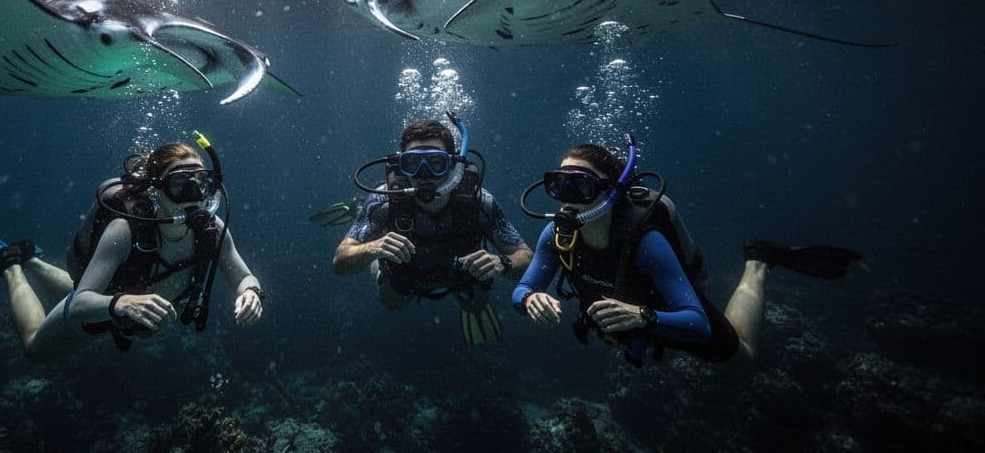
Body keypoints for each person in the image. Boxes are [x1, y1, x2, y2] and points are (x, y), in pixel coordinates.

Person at [511, 138, 861, 367]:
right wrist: (529, 299)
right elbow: (521, 290)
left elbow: (698, 324)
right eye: (559, 185)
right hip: (629, 322)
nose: (567, 199)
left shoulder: (645, 242)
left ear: (612, 192)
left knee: (744, 359)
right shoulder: (557, 235)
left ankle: (758, 261)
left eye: (580, 186)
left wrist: (645, 317)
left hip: (665, 313)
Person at [0, 135, 264, 360]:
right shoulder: (124, 230)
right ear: (155, 190)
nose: (193, 195)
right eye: (180, 184)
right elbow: (81, 303)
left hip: (110, 300)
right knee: (34, 349)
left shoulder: (212, 230)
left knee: (82, 286)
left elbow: (244, 276)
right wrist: (120, 304)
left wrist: (250, 292)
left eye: (201, 183)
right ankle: (11, 266)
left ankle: (31, 259)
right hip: (101, 314)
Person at [330, 116, 532, 346]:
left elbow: (527, 257)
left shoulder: (479, 202)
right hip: (403, 279)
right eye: (412, 163)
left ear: (454, 165)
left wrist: (501, 263)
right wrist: (373, 248)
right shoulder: (383, 201)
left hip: (463, 278)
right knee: (392, 303)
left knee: (476, 304)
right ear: (401, 166)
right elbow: (339, 262)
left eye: (436, 163)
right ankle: (360, 213)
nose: (423, 174)